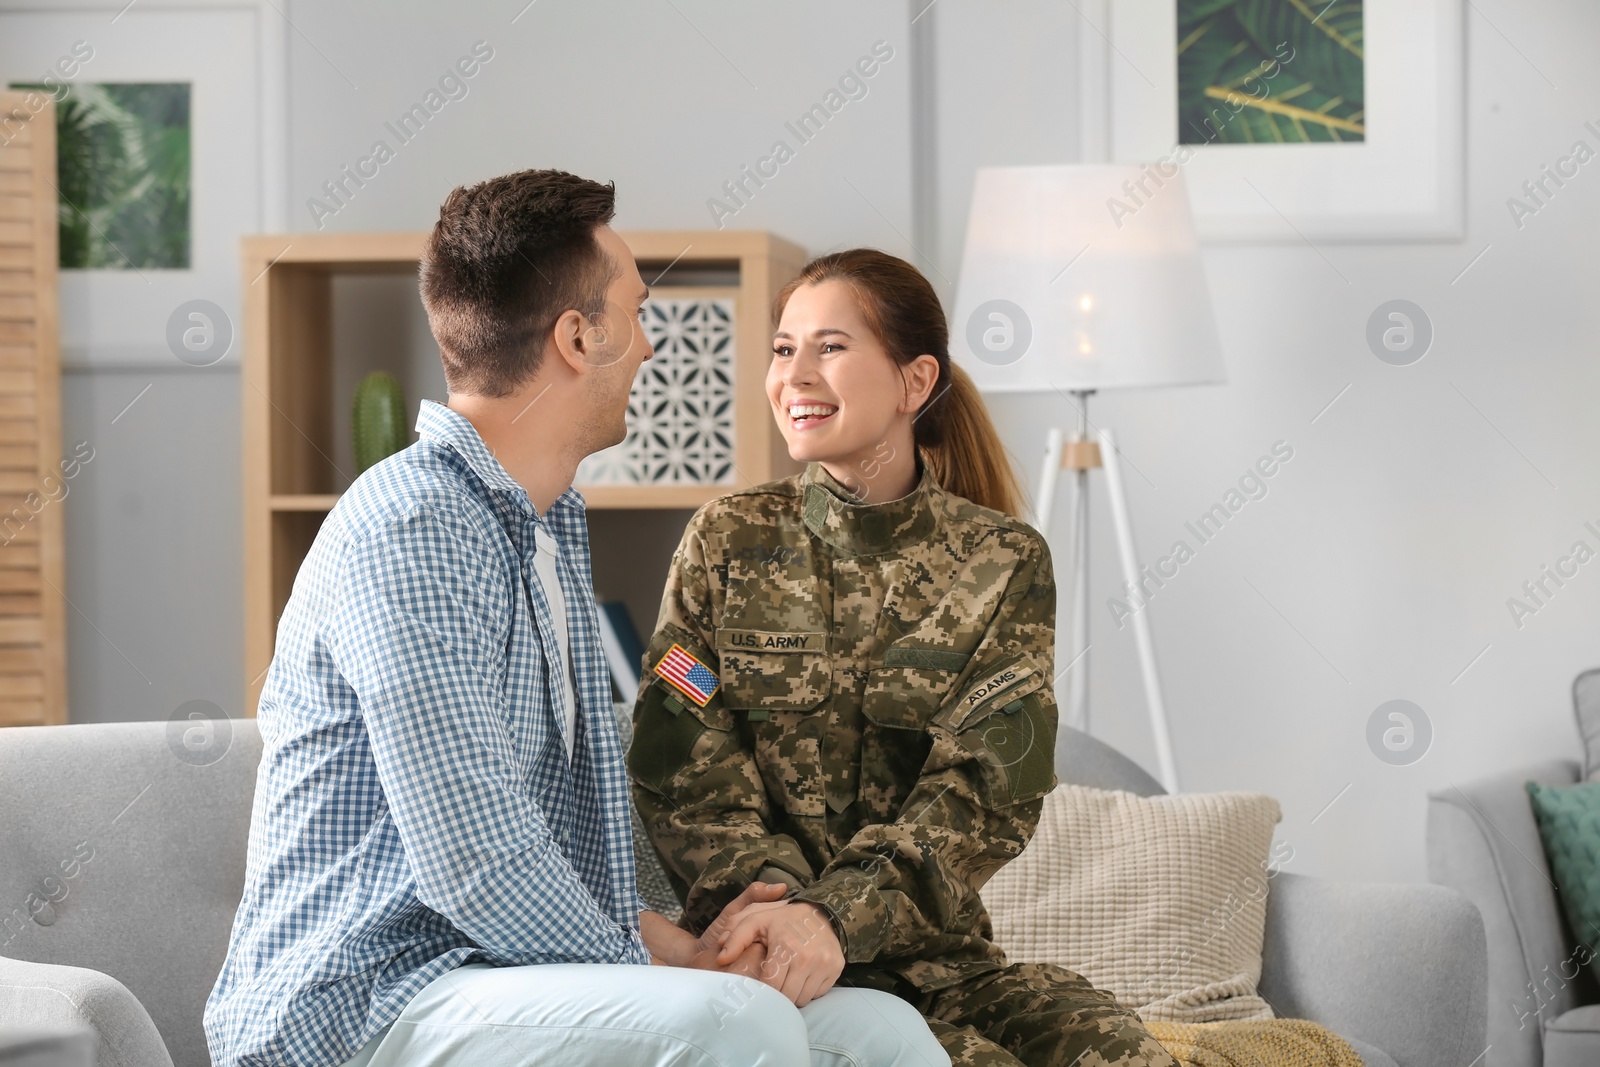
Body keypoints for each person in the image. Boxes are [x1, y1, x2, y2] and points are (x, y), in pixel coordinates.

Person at [203, 171, 948, 1067]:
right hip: (364, 1002)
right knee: (732, 1024)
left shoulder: (546, 524)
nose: (647, 348)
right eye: (633, 313)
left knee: (879, 1030)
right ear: (575, 336)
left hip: (499, 972)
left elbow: (540, 853)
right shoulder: (411, 530)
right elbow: (477, 863)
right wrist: (670, 960)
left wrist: (688, 944)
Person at [630, 248, 1180, 1067]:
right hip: (774, 969)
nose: (796, 375)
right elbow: (684, 767)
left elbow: (988, 789)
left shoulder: (1002, 561)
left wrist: (837, 917)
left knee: (1126, 1054)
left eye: (831, 346)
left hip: (945, 965)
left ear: (915, 383)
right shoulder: (725, 541)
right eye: (784, 349)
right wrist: (788, 925)